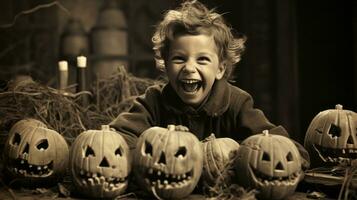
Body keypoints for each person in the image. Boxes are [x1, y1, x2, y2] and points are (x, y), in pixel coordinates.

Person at [109, 0, 309, 168]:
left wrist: (238, 155)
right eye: (179, 59)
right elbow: (115, 139)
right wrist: (156, 153)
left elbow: (291, 151)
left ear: (220, 68)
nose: (189, 67)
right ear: (165, 64)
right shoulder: (153, 102)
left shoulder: (237, 103)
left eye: (202, 59)